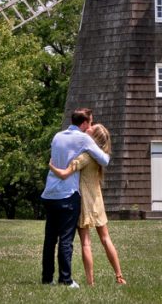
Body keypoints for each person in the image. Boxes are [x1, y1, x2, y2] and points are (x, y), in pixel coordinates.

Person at [49, 122, 126, 286]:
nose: (88, 128)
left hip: (84, 201)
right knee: (106, 239)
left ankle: (90, 282)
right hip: (97, 200)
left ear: (94, 137)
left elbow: (65, 172)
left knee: (86, 242)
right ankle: (119, 276)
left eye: (92, 128)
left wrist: (52, 167)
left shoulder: (84, 157)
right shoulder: (99, 156)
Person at [41, 108, 110, 288]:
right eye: (91, 122)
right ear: (85, 123)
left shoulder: (57, 136)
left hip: (50, 193)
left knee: (50, 239)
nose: (92, 126)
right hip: (67, 194)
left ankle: (47, 278)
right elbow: (104, 160)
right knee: (65, 239)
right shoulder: (84, 138)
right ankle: (65, 279)